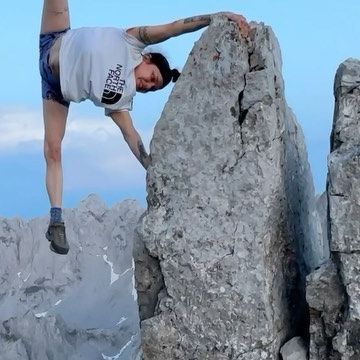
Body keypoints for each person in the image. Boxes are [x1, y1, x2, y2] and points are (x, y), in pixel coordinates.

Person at [40, 0, 250, 255]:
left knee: (53, 151)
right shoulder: (132, 43)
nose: (147, 85)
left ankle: (56, 221)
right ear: (147, 58)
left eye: (152, 88)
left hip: (55, 89)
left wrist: (153, 169)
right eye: (152, 77)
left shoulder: (122, 99)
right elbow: (174, 27)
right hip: (55, 38)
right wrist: (218, 16)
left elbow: (131, 137)